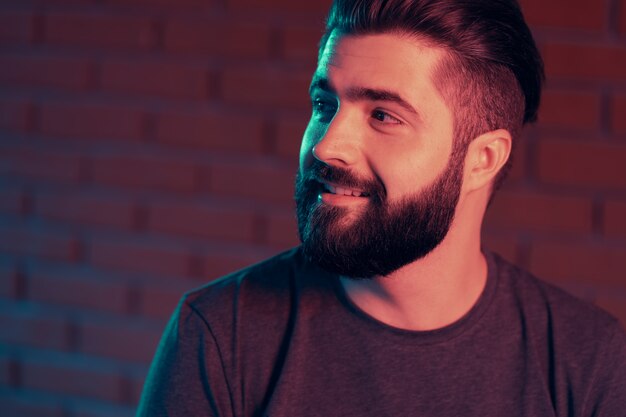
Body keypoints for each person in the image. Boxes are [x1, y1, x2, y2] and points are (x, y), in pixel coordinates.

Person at [137, 0, 626, 416]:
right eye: (325, 104)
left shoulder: (590, 364)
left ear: (482, 159)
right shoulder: (221, 336)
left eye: (383, 115)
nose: (327, 147)